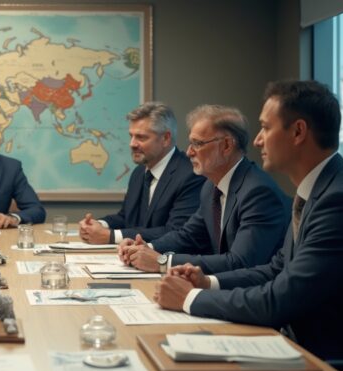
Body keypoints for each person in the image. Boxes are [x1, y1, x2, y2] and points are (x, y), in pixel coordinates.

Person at [156, 80, 343, 362]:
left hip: (333, 366)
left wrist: (189, 298)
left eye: (266, 128)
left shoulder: (340, 202)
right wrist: (206, 282)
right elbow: (276, 269)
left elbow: (281, 299)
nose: (257, 140)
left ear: (298, 132)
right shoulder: (318, 190)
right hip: (298, 348)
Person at [120, 105, 290, 274]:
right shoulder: (210, 186)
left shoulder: (258, 193)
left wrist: (162, 262)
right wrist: (145, 248)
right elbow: (189, 236)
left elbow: (241, 262)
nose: (188, 152)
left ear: (226, 146)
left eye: (197, 144)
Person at [78, 102, 203, 243]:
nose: (132, 144)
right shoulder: (139, 172)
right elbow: (126, 218)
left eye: (141, 137)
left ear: (166, 138)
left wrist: (111, 236)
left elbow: (175, 231)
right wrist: (98, 225)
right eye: (131, 136)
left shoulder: (191, 175)